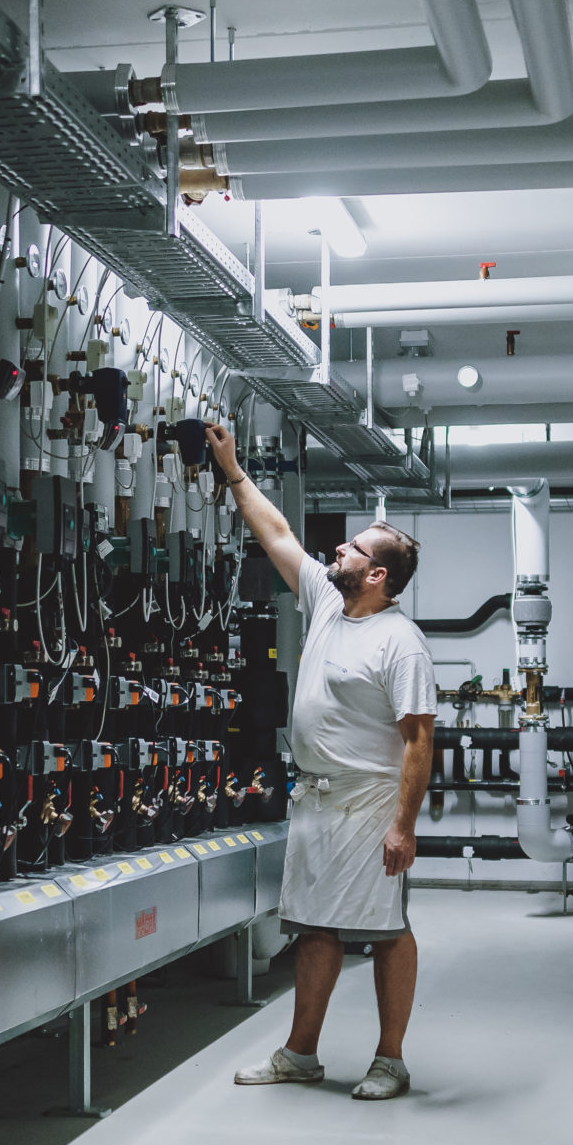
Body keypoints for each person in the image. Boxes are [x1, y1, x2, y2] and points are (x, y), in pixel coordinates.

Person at [206, 423, 435, 1100]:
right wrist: (233, 470)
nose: (337, 548)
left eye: (354, 547)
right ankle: (301, 1053)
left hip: (370, 806)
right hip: (315, 798)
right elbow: (276, 534)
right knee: (313, 927)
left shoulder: (401, 643)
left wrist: (404, 825)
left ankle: (390, 1059)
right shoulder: (327, 604)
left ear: (377, 573)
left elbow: (420, 741)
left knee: (386, 932)